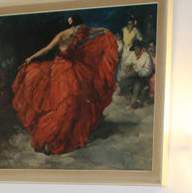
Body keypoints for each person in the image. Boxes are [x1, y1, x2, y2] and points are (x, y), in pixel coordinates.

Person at [11, 15, 119, 155]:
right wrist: (31, 58)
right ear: (73, 26)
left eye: (81, 27)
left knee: (77, 100)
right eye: (79, 27)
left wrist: (102, 29)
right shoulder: (62, 36)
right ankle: (49, 140)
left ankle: (69, 136)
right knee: (65, 103)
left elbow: (89, 32)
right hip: (60, 69)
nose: (81, 29)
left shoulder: (80, 31)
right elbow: (47, 49)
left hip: (74, 67)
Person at [121, 39, 154, 109]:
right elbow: (126, 64)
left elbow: (148, 71)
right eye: (135, 48)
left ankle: (134, 102)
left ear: (141, 48)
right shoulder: (132, 54)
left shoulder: (146, 56)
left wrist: (138, 72)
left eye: (138, 48)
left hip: (143, 78)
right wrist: (128, 68)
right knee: (123, 83)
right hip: (133, 76)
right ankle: (130, 100)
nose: (136, 50)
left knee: (137, 84)